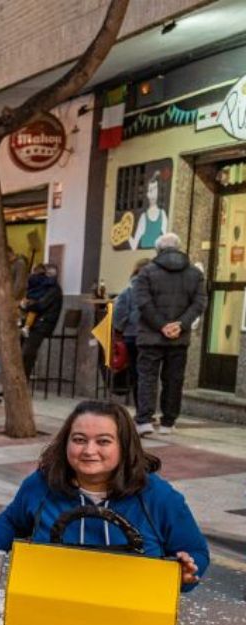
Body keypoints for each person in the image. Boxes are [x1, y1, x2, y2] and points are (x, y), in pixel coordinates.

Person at [0, 399, 208, 590]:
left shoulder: (158, 496)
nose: (89, 450)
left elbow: (195, 552)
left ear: (124, 446)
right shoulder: (42, 485)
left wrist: (186, 573)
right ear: (66, 443)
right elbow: (10, 522)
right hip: (49, 615)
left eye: (103, 441)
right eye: (79, 440)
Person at [132, 233, 206, 436]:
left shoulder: (146, 272)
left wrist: (161, 325)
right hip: (179, 338)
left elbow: (142, 302)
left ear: (158, 250)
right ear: (179, 247)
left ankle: (145, 421)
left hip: (150, 336)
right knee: (174, 379)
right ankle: (168, 422)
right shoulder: (195, 274)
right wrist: (180, 325)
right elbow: (199, 303)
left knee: (147, 377)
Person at [112, 258, 151, 406]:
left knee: (136, 372)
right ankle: (146, 408)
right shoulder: (153, 291)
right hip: (149, 336)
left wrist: (121, 329)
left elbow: (119, 315)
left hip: (131, 336)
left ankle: (140, 406)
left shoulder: (128, 291)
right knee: (148, 374)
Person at [19, 262, 62, 379]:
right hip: (34, 324)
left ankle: (22, 383)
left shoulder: (53, 289)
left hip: (41, 325)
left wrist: (25, 306)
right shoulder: (42, 287)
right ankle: (17, 382)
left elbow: (41, 305)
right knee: (20, 352)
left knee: (27, 353)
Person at [130, 173, 168, 252]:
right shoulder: (143, 217)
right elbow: (134, 245)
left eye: (155, 190)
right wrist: (127, 235)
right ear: (147, 194)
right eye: (151, 190)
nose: (153, 194)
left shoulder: (162, 214)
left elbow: (166, 240)